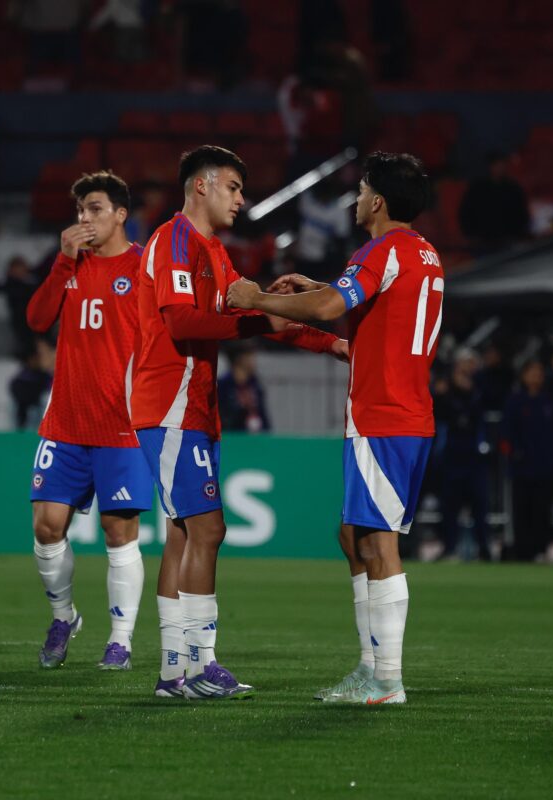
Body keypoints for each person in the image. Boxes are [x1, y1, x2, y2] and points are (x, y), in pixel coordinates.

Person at [131, 145, 344, 699]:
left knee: (181, 537)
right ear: (200, 185)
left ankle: (174, 674)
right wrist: (257, 317)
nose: (241, 198)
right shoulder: (174, 241)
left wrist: (333, 344)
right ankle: (201, 667)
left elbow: (256, 314)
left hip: (192, 409)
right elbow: (182, 324)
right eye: (232, 186)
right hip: (171, 406)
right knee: (209, 529)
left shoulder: (213, 252)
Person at [228, 151, 440, 705]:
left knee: (376, 541)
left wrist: (257, 297)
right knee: (352, 536)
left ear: (379, 201)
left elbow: (326, 307)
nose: (357, 198)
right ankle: (371, 668)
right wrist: (330, 285)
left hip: (385, 415)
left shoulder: (383, 249)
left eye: (364, 188)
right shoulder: (420, 253)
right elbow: (367, 307)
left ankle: (386, 679)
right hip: (397, 412)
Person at [24, 171, 151, 671]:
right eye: (80, 211)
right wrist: (61, 262)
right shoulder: (68, 265)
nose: (85, 219)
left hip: (122, 428)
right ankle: (64, 617)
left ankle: (120, 639)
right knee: (47, 526)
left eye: (95, 209)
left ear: (121, 214)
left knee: (120, 533)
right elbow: (36, 320)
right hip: (66, 424)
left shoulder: (143, 267)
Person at [432, 348, 491, 561]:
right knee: (449, 506)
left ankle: (484, 550)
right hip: (451, 456)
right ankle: (450, 549)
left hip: (475, 457)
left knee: (480, 506)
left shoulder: (481, 388)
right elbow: (439, 412)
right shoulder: (444, 390)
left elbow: (489, 404)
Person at [501, 359, 553, 562]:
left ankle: (541, 549)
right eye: (532, 372)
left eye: (539, 372)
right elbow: (506, 433)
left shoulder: (549, 400)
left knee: (542, 510)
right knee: (521, 510)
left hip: (544, 466)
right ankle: (522, 551)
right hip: (521, 467)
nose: (536, 376)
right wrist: (512, 453)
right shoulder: (515, 400)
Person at [457, 153, 531, 253]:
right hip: (485, 242)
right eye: (496, 165)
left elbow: (522, 213)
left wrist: (521, 233)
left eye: (502, 164)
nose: (500, 168)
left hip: (511, 240)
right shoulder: (477, 189)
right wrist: (472, 236)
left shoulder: (512, 188)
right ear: (490, 166)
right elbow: (466, 214)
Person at [218, 344, 271, 432]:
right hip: (231, 439)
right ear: (240, 358)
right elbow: (222, 418)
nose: (255, 360)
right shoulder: (223, 385)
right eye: (251, 356)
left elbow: (263, 415)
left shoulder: (255, 384)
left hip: (257, 441)